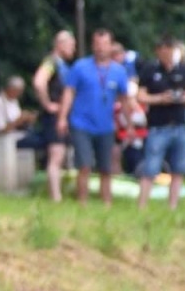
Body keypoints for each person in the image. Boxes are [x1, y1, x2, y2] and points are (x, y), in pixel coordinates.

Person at [57, 28, 133, 206]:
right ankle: (82, 202)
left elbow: (125, 100)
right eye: (97, 45)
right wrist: (62, 118)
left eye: (104, 44)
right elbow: (69, 93)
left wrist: (129, 124)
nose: (101, 48)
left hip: (105, 125)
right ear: (92, 46)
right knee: (84, 165)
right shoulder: (80, 67)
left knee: (106, 167)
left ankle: (106, 202)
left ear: (111, 46)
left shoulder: (119, 71)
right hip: (81, 123)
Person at [134, 35, 185, 210]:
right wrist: (161, 98)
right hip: (158, 126)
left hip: (181, 125)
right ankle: (142, 204)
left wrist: (182, 98)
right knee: (151, 167)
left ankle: (172, 206)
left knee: (179, 168)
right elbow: (140, 96)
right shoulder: (150, 70)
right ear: (159, 51)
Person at [29, 30, 75, 198]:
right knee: (56, 155)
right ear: (60, 44)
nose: (73, 49)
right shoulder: (52, 62)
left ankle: (58, 193)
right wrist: (47, 104)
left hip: (62, 114)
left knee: (60, 155)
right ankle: (55, 196)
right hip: (55, 115)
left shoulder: (61, 64)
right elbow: (39, 82)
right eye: (71, 45)